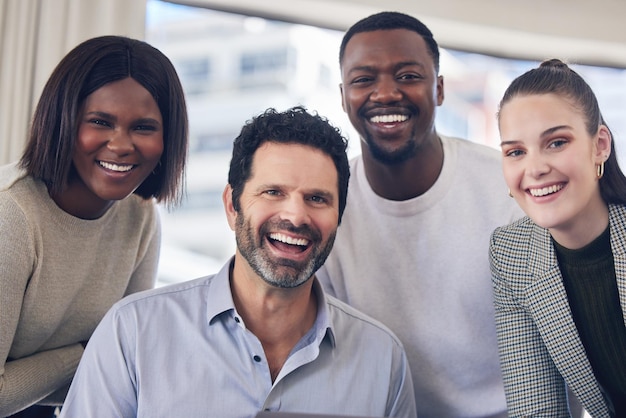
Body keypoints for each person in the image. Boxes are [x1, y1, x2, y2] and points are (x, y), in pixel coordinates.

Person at [58, 106, 417, 418]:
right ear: (233, 205)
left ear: (338, 216)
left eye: (317, 198)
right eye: (273, 192)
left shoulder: (383, 360)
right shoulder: (132, 333)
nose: (295, 215)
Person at [315, 11, 526, 417]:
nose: (386, 93)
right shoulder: (327, 209)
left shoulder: (508, 190)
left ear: (439, 89)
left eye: (408, 76)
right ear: (343, 97)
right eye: (363, 80)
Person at [0, 35, 188, 417]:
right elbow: (108, 360)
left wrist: (107, 356)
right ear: (63, 121)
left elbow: (125, 369)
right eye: (101, 122)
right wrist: (86, 354)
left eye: (144, 127)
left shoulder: (140, 217)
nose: (121, 145)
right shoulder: (11, 214)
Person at [490, 59, 626, 417]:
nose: (534, 169)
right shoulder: (511, 254)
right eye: (516, 152)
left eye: (556, 142)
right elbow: (535, 408)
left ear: (599, 145)